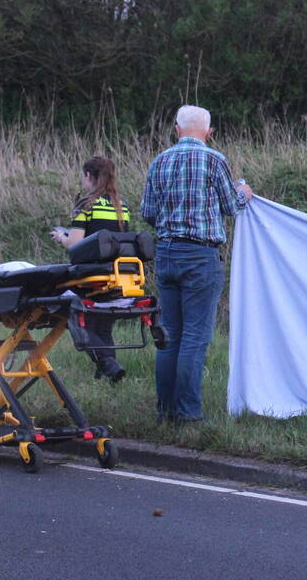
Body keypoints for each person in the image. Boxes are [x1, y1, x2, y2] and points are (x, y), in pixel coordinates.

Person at [141, 105, 253, 423]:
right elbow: (232, 206)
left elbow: (147, 211)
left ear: (176, 130)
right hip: (201, 256)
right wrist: (243, 191)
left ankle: (165, 412)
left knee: (170, 335)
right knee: (194, 337)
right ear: (209, 132)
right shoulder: (215, 160)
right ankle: (188, 414)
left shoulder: (159, 161)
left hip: (166, 253)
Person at [50, 155, 130, 383]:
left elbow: (75, 244)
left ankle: (107, 364)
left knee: (79, 318)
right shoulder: (121, 205)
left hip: (90, 277)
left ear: (88, 176)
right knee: (103, 327)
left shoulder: (86, 204)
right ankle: (109, 375)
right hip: (118, 275)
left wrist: (61, 237)